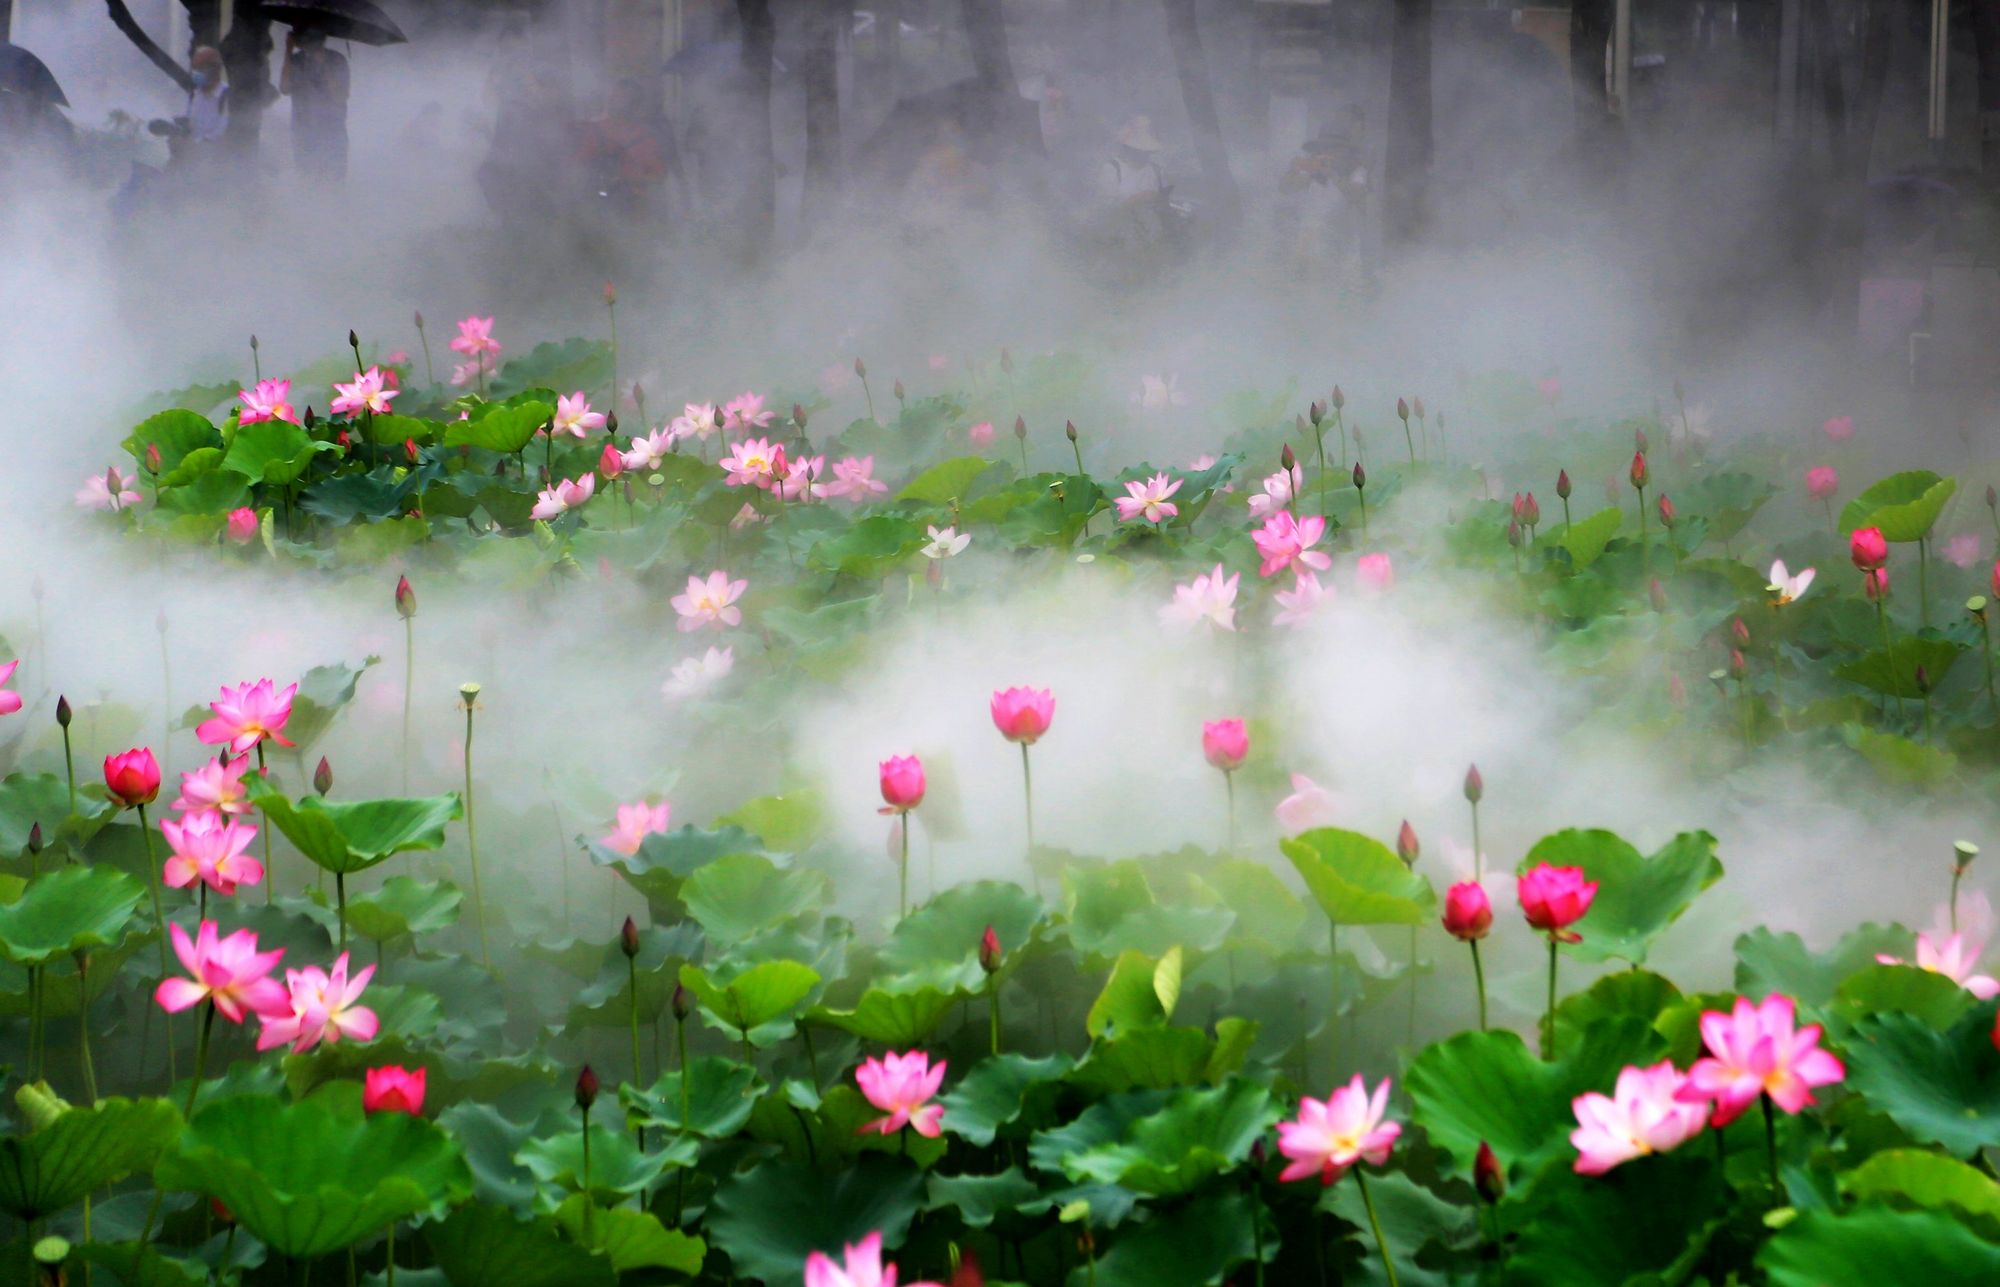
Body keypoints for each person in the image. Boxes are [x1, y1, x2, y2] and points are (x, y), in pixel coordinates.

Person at [281, 29, 349, 181]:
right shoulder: (297, 60)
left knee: (332, 183)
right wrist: (288, 51)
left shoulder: (337, 60)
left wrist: (323, 64)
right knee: (307, 181)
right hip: (304, 132)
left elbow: (340, 96)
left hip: (332, 133)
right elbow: (284, 88)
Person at [186, 45, 229, 145]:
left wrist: (199, 145)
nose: (195, 72)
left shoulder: (227, 97)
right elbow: (192, 128)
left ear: (215, 69)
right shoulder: (195, 96)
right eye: (194, 67)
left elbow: (222, 134)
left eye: (200, 68)